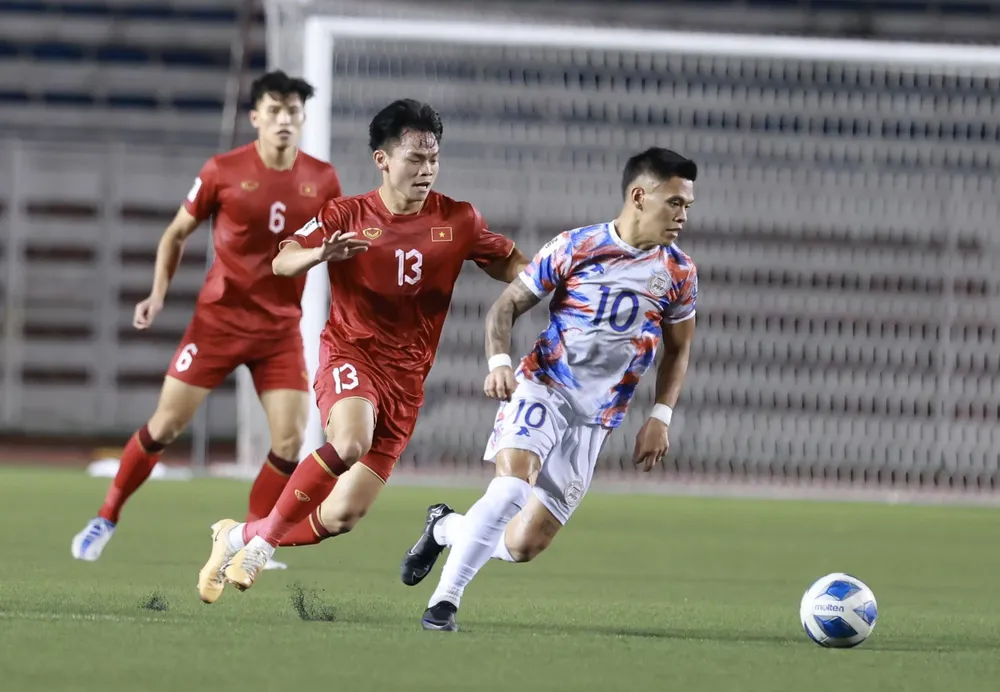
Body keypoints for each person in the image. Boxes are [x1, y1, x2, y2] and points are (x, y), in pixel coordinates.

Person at [196, 98, 529, 603]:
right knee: (350, 440)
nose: (427, 169)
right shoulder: (346, 214)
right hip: (351, 356)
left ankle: (236, 535)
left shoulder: (458, 220)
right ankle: (262, 544)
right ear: (383, 160)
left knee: (341, 516)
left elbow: (509, 263)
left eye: (433, 158)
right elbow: (283, 261)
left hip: (407, 382)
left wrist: (545, 281)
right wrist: (319, 253)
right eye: (415, 159)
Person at [400, 147, 700, 631]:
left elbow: (678, 348)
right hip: (544, 386)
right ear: (639, 196)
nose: (682, 215)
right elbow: (504, 307)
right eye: (675, 203)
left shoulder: (679, 272)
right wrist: (499, 363)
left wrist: (660, 416)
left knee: (522, 546)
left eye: (687, 206)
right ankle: (443, 604)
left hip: (597, 418)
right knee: (511, 487)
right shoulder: (575, 247)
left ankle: (445, 527)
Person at [70, 71, 342, 565]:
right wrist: (157, 294)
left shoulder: (323, 179)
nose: (284, 120)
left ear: (303, 119)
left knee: (289, 439)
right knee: (166, 426)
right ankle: (106, 516)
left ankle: (252, 538)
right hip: (218, 323)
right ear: (255, 116)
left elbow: (335, 248)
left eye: (293, 112)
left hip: (279, 328)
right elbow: (175, 234)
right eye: (274, 111)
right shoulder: (223, 170)